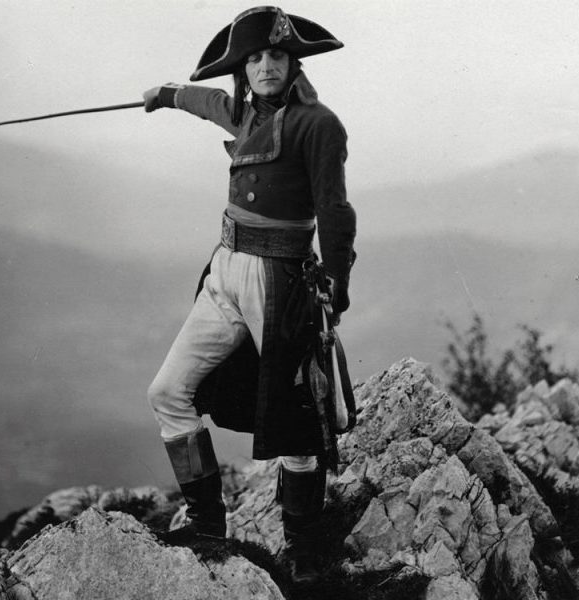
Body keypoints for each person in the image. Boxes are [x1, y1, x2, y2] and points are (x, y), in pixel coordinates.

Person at [143, 6, 356, 583]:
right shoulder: (243, 112)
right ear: (243, 69)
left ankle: (304, 547)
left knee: (296, 419)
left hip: (280, 282)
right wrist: (166, 94)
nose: (266, 67)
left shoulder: (319, 125)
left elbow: (335, 210)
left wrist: (336, 285)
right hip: (224, 272)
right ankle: (208, 526)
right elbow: (209, 102)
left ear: (293, 62)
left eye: (277, 56)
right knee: (168, 392)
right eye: (255, 58)